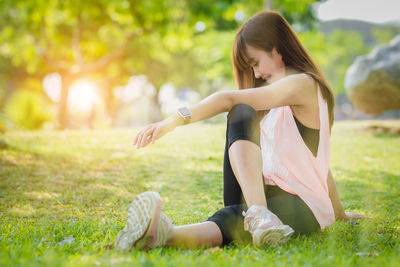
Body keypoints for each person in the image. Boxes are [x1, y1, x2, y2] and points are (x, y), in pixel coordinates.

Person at [113, 10, 364, 251]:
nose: (256, 73)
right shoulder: (276, 108)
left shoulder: (305, 84)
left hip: (303, 207)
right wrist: (340, 214)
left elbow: (317, 167)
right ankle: (258, 214)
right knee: (241, 113)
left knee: (233, 214)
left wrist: (171, 122)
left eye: (255, 62)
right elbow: (317, 164)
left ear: (276, 48)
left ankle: (163, 234)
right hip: (261, 195)